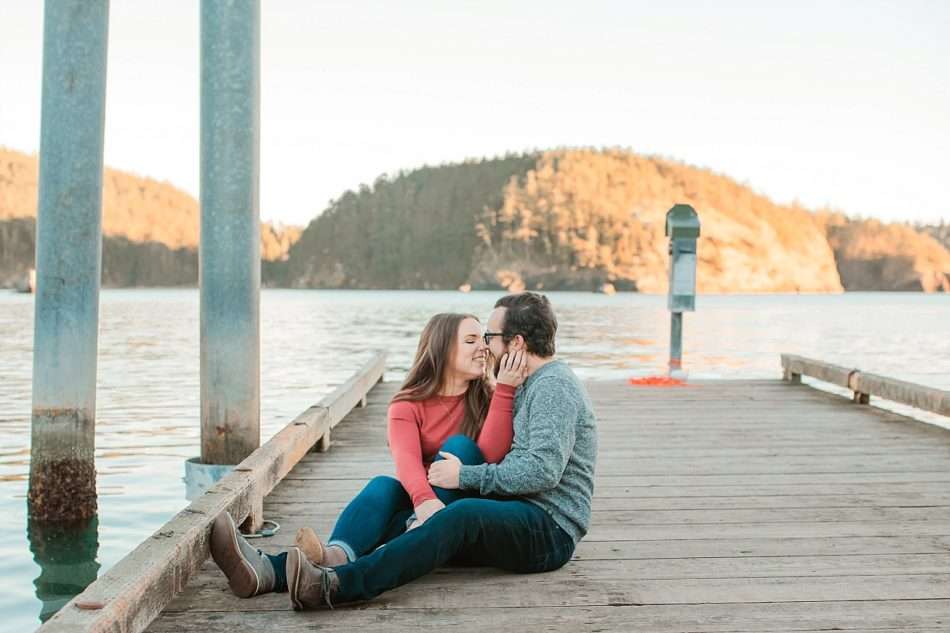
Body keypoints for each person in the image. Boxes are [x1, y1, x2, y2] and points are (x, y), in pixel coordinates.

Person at [281, 291, 598, 610]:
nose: (486, 346)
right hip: (517, 510)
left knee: (459, 515)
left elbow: (542, 471)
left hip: (550, 529)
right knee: (394, 506)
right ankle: (281, 569)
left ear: (515, 343)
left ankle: (335, 586)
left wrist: (465, 475)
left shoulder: (553, 387)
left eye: (490, 336)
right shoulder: (527, 384)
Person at [208, 312, 528, 598]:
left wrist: (504, 390)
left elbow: (489, 456)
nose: (484, 347)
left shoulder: (492, 397)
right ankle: (325, 559)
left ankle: (275, 570)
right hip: (424, 514)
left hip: (466, 521)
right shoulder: (407, 404)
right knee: (383, 486)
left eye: (484, 338)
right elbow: (407, 462)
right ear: (442, 348)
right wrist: (424, 505)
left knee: (461, 449)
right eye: (471, 339)